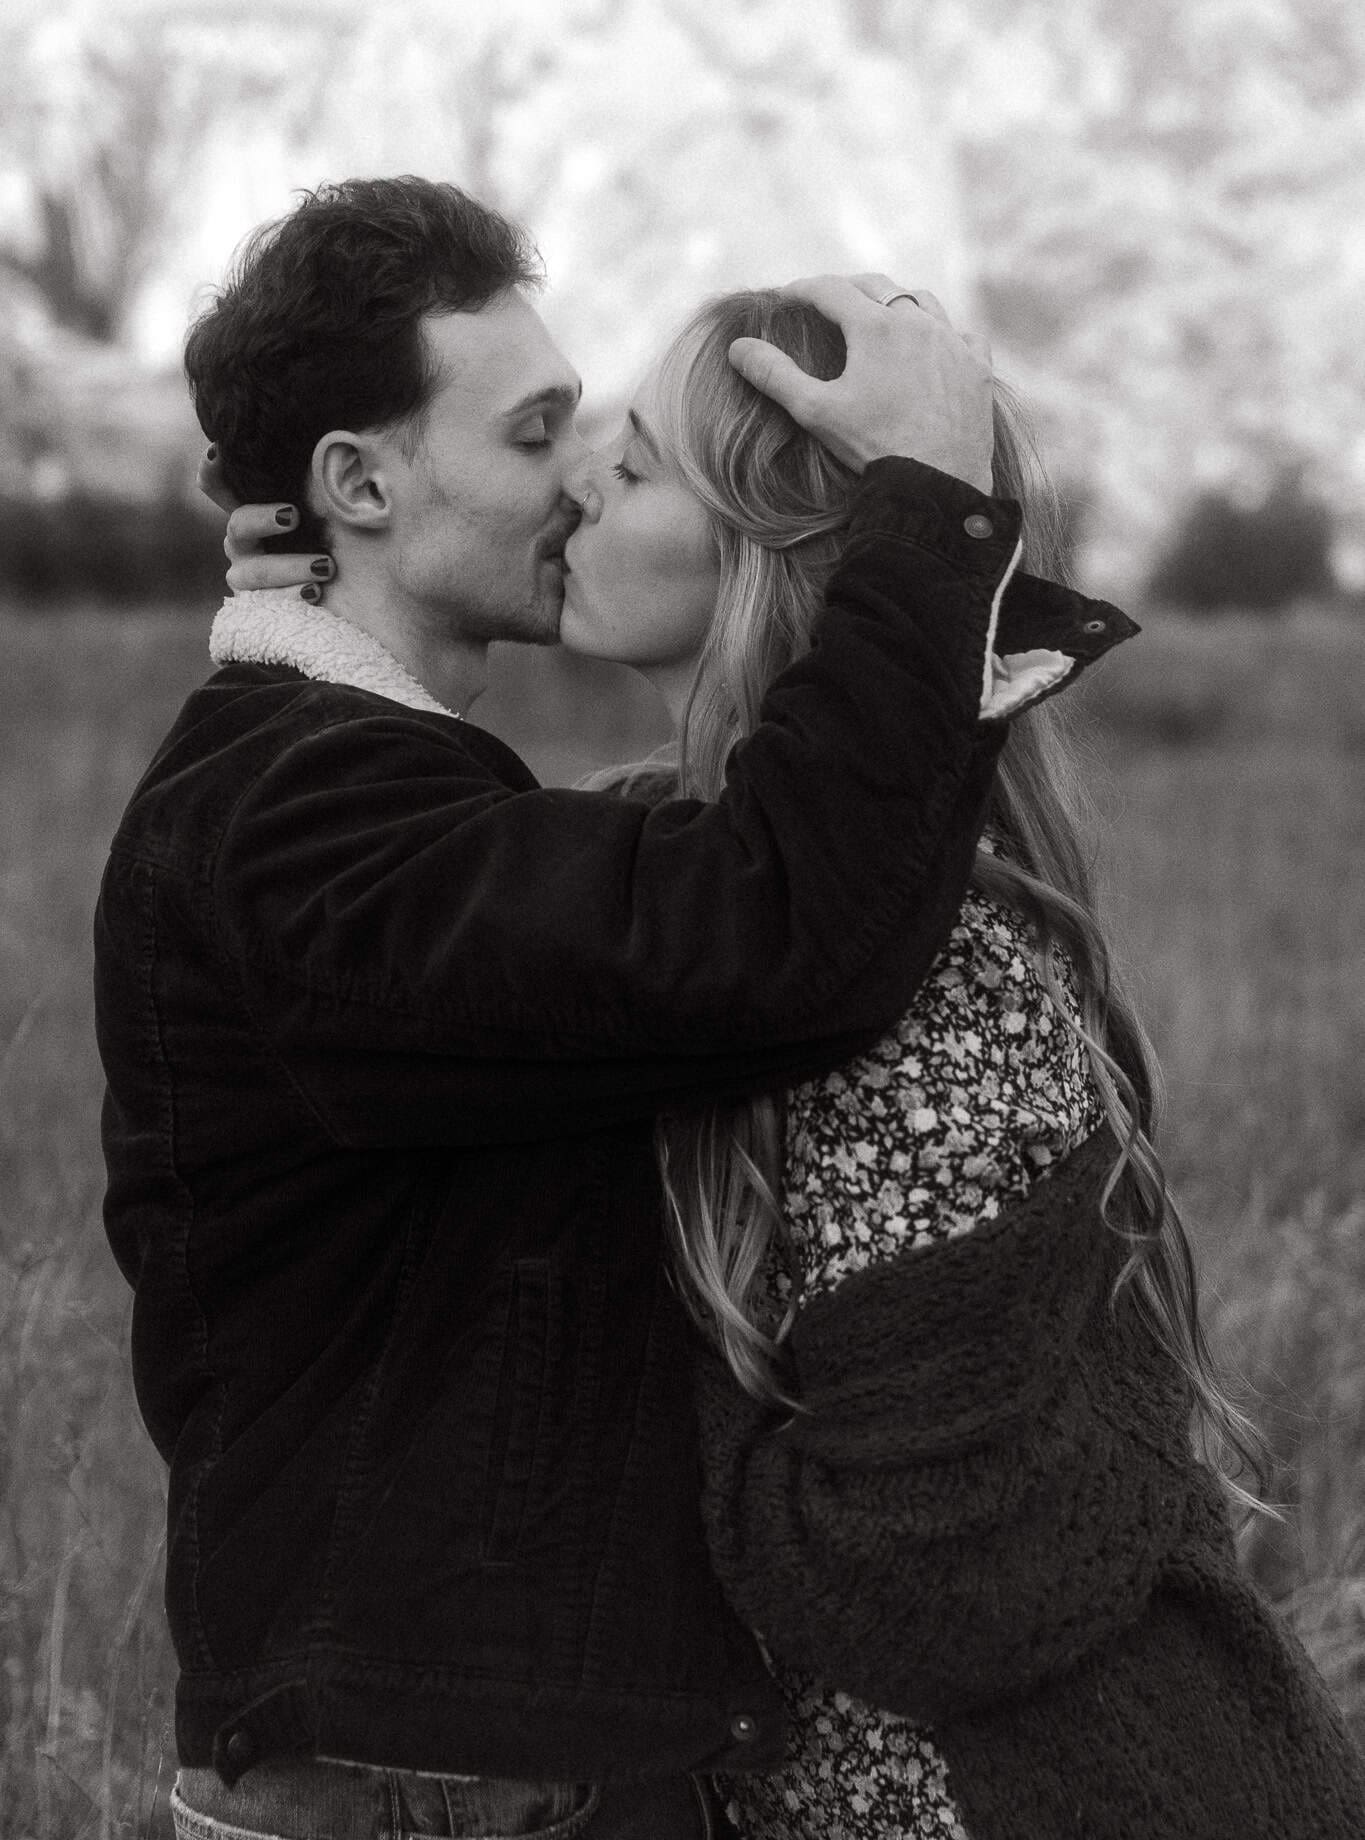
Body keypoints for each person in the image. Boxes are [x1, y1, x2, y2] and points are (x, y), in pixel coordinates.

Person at [232, 282, 1365, 1839]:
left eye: (628, 473)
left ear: (772, 547)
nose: (572, 485)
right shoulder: (680, 890)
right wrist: (327, 615)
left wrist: (613, 1471)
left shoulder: (931, 973)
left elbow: (930, 1558)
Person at [95, 175, 1116, 1840]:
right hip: (415, 1769)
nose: (579, 479)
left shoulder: (362, 785)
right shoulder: (299, 820)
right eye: (534, 435)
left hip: (458, 1742)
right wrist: (922, 510)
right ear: (356, 483)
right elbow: (765, 932)